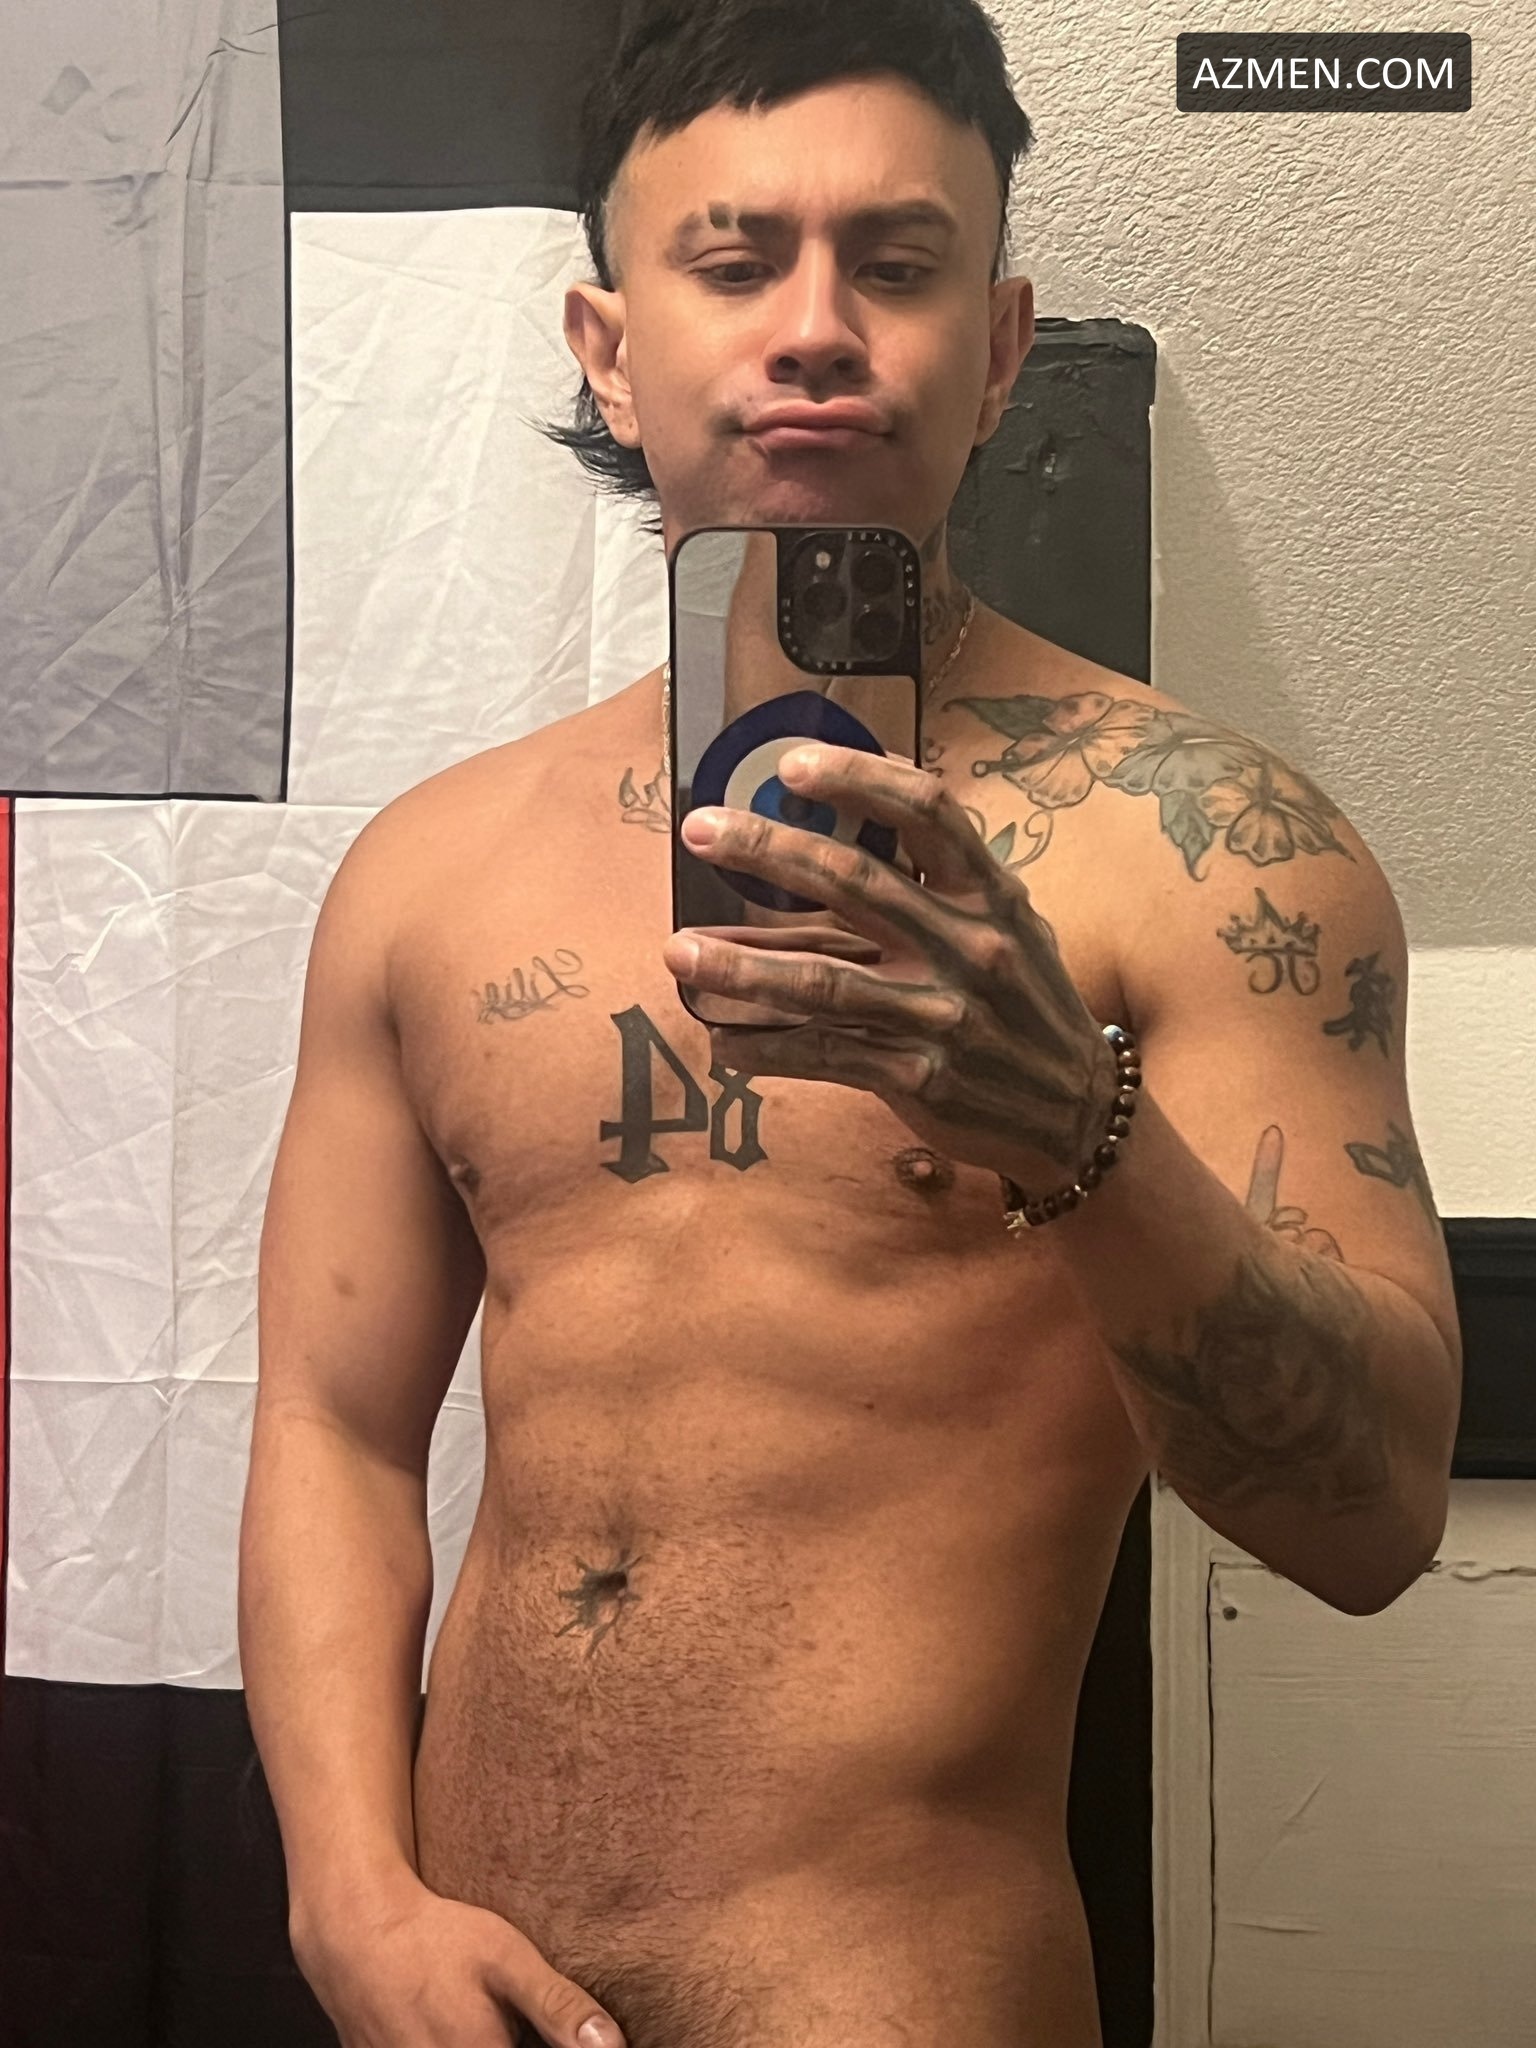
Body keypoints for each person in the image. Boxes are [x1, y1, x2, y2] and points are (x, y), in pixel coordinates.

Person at [237, 3, 1462, 2044]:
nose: (815, 329)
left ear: (998, 346)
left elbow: (1375, 1520)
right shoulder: (430, 873)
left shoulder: (1212, 856)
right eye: (734, 263)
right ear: (609, 347)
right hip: (458, 1996)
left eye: (896, 265)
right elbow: (334, 1432)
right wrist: (350, 1899)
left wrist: (1077, 1132)